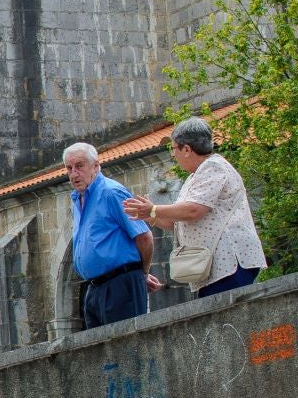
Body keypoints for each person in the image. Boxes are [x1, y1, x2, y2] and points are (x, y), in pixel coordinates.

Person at [122, 116, 267, 298]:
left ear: (187, 149)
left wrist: (153, 209)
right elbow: (178, 222)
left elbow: (193, 210)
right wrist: (148, 216)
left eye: (174, 148)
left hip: (230, 261)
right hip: (212, 267)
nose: (173, 154)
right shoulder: (194, 176)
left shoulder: (214, 167)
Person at [64, 142, 163, 328]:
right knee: (101, 353)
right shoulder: (78, 199)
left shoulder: (111, 193)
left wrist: (142, 274)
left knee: (125, 350)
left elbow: (144, 237)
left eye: (79, 166)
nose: (74, 174)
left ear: (95, 166)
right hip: (94, 288)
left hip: (119, 286)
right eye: (69, 168)